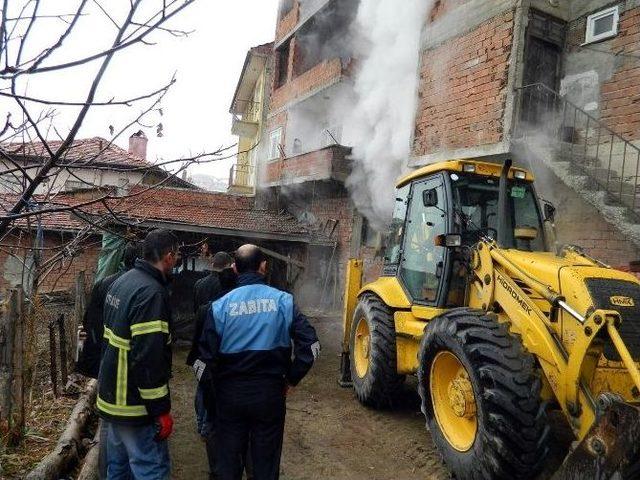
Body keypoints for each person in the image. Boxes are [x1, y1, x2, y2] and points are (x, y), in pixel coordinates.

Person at [199, 244, 320, 480]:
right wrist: (291, 378)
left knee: (228, 467)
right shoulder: (284, 302)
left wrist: (214, 395)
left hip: (229, 397)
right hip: (270, 395)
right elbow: (312, 346)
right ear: (263, 267)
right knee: (265, 467)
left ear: (234, 268)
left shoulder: (219, 307)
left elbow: (203, 362)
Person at [97, 229, 180, 479]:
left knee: (118, 468)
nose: (175, 261)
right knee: (150, 468)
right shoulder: (152, 293)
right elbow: (148, 358)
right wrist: (160, 410)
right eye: (175, 256)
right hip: (133, 405)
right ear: (167, 257)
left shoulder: (124, 280)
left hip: (112, 397)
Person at [187, 251, 237, 480]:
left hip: (204, 345)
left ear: (212, 264)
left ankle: (202, 425)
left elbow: (195, 310)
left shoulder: (199, 285)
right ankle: (211, 427)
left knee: (202, 387)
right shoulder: (230, 291)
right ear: (228, 266)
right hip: (222, 347)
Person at [76, 241, 140, 379]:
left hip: (100, 343)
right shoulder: (138, 288)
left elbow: (90, 318)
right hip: (121, 354)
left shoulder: (104, 282)